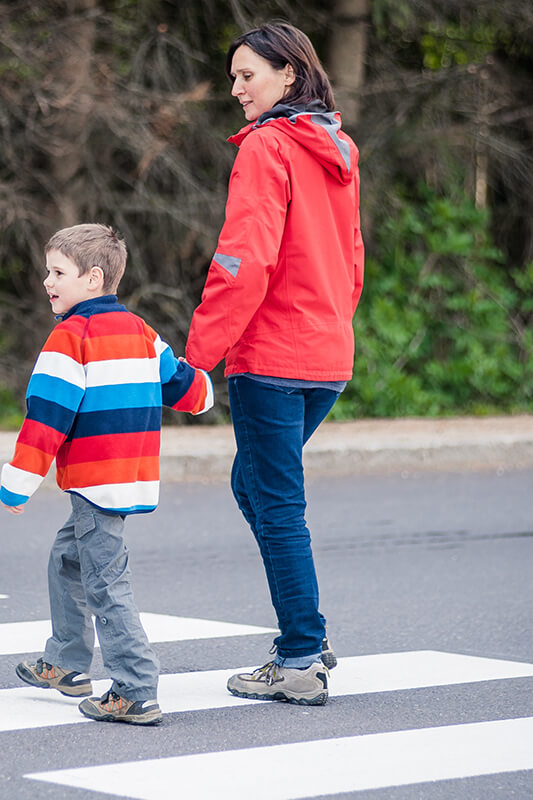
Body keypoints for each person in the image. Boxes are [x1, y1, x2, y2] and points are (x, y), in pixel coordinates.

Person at [184, 21, 364, 706]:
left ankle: (299, 655)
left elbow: (242, 261)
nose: (236, 89)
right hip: (326, 355)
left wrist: (199, 360)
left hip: (272, 357)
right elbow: (352, 261)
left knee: (276, 502)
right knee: (255, 487)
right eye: (233, 78)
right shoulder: (338, 147)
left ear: (290, 75)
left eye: (247, 76)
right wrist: (334, 332)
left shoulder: (268, 148)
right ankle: (304, 637)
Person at [1, 223, 214, 725]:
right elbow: (185, 388)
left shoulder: (69, 337)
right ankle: (66, 662)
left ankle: (135, 689)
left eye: (58, 272)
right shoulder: (141, 332)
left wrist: (19, 481)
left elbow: (46, 417)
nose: (46, 281)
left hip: (95, 483)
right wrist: (205, 389)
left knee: (106, 583)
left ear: (93, 278)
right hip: (128, 474)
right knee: (67, 558)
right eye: (47, 271)